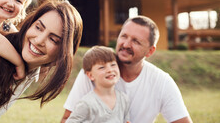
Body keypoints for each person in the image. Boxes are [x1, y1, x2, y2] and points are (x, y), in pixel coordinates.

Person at [62, 16, 193, 123]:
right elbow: (67, 119)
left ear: (150, 51)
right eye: (124, 36)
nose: (125, 44)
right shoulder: (94, 71)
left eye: (136, 41)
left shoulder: (162, 82)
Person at [66, 46, 130, 123]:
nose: (110, 70)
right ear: (90, 75)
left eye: (113, 65)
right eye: (102, 67)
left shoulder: (124, 99)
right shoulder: (86, 104)